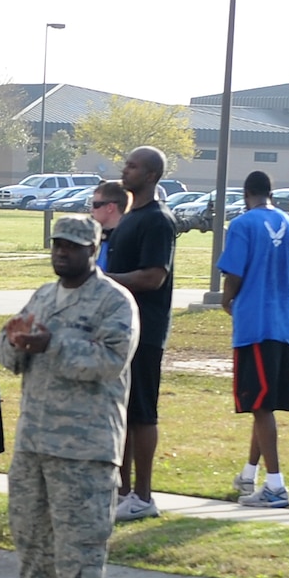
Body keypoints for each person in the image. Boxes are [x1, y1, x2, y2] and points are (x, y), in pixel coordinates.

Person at [0, 214, 139, 578]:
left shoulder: (114, 302)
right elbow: (8, 348)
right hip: (36, 438)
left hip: (85, 444)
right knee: (31, 531)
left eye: (73, 246)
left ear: (93, 251)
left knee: (80, 538)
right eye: (58, 244)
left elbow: (108, 361)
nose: (63, 252)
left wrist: (50, 344)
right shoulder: (44, 295)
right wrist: (15, 342)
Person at [220, 170, 289, 508]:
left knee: (258, 405)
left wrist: (228, 299)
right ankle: (249, 474)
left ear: (246, 194)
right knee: (266, 404)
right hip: (283, 324)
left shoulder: (243, 225)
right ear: (270, 193)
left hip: (254, 324)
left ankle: (275, 486)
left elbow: (235, 273)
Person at [104, 146, 176, 521]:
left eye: (133, 166)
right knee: (123, 411)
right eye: (126, 163)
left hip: (146, 330)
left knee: (142, 413)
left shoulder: (158, 220)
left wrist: (103, 281)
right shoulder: (130, 217)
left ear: (150, 176)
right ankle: (123, 491)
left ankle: (144, 496)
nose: (125, 169)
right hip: (122, 329)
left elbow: (153, 276)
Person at [88, 180, 125, 270]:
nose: (91, 210)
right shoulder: (98, 237)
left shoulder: (126, 240)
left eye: (95, 205)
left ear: (110, 207)